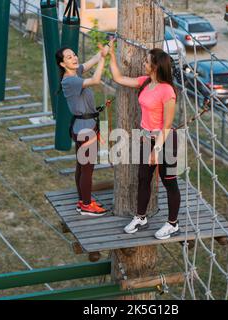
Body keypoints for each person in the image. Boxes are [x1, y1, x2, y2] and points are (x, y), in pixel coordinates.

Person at [109, 41, 181, 240]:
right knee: (143, 179)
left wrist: (156, 150)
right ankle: (141, 217)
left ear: (155, 66)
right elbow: (118, 78)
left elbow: (167, 125)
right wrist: (111, 55)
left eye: (147, 61)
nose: (143, 62)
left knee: (169, 182)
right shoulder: (146, 82)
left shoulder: (167, 91)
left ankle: (173, 223)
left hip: (164, 141)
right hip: (145, 138)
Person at [56, 42, 112, 216]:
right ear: (62, 64)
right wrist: (103, 57)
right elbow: (95, 80)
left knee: (82, 166)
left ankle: (83, 200)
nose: (74, 58)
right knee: (87, 168)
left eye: (74, 55)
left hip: (82, 127)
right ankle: (86, 205)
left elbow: (92, 61)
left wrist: (106, 47)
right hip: (85, 130)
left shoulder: (76, 72)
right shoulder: (71, 80)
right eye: (69, 57)